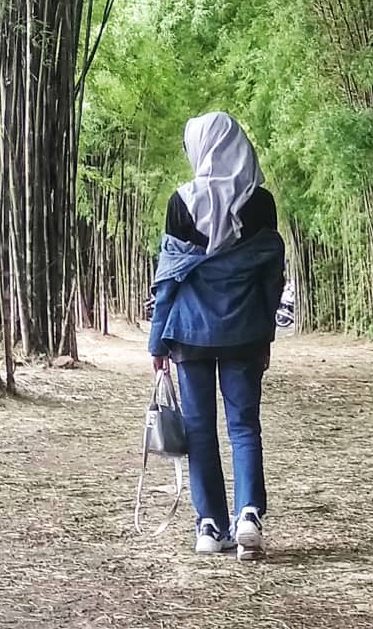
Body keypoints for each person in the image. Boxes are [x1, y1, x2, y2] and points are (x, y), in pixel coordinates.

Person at [147, 112, 285, 561]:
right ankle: (248, 516)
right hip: (244, 329)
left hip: (190, 333)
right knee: (245, 427)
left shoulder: (180, 202)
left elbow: (169, 277)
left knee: (199, 430)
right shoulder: (260, 202)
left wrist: (157, 341)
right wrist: (266, 329)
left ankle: (209, 525)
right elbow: (271, 275)